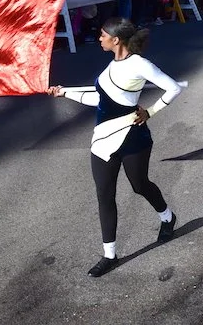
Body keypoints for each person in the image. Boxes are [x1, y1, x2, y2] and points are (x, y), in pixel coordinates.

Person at [48, 18, 183, 277]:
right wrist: (65, 93)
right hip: (103, 139)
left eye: (102, 35)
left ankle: (167, 217)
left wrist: (151, 111)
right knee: (104, 195)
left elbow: (173, 88)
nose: (99, 38)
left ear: (116, 39)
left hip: (133, 137)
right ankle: (109, 255)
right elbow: (101, 99)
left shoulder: (140, 64)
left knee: (140, 185)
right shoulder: (113, 64)